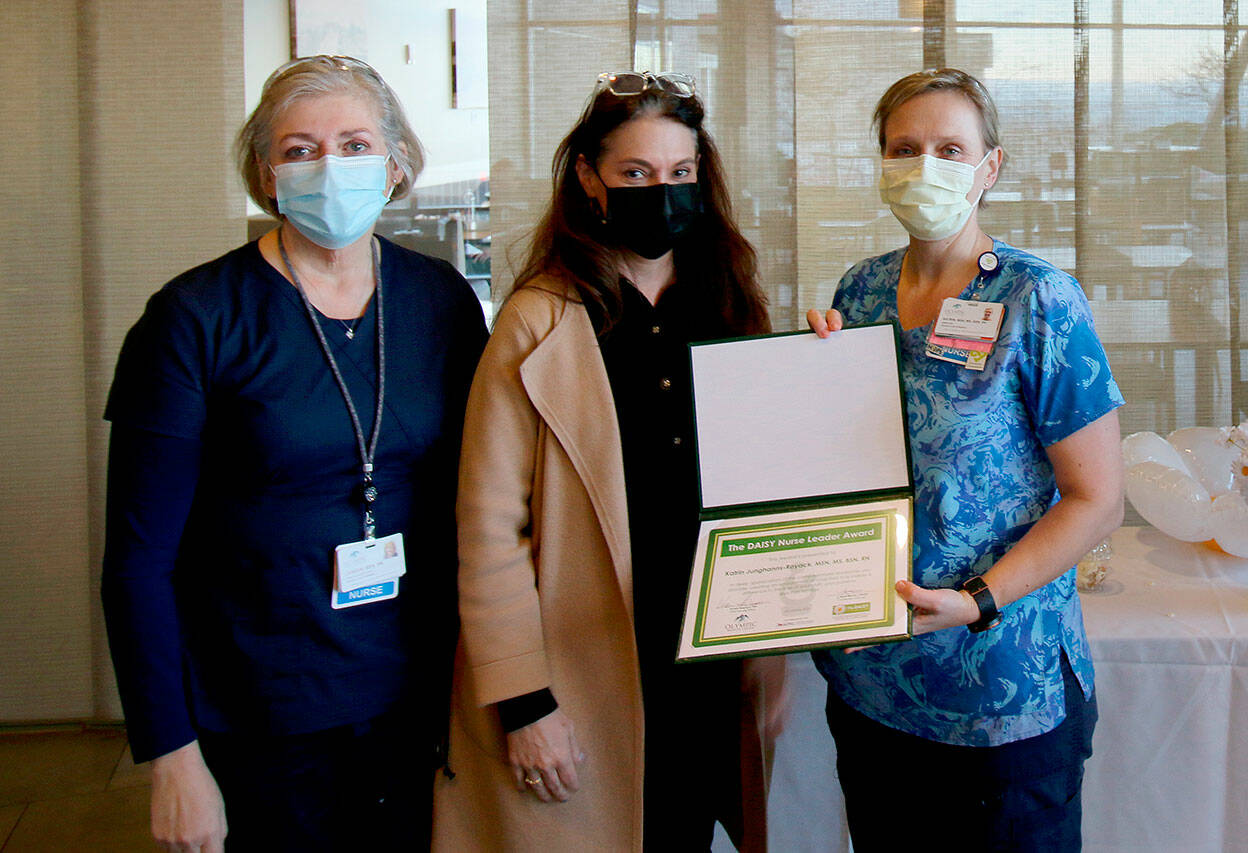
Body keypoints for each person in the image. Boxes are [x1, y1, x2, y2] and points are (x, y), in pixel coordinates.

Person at [432, 71, 841, 851]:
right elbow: (488, 527)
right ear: (590, 178)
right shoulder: (538, 322)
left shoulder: (728, 302)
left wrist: (821, 367)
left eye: (680, 171)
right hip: (582, 668)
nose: (663, 192)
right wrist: (523, 701)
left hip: (708, 659)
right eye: (636, 173)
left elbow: (765, 486)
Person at [100, 55, 487, 852]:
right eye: (300, 149)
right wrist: (171, 756)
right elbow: (137, 559)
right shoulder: (193, 318)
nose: (329, 166)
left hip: (415, 693)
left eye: (355, 144)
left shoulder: (441, 300)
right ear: (267, 174)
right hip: (257, 707)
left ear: (396, 164)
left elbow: (478, 495)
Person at [807, 68, 1125, 852]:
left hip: (999, 697)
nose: (924, 166)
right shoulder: (861, 290)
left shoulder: (1037, 299)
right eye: (903, 148)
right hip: (874, 686)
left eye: (950, 149)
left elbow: (1098, 500)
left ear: (990, 167)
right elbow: (844, 468)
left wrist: (978, 598)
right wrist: (803, 376)